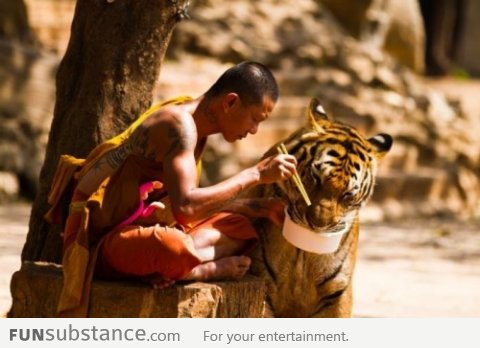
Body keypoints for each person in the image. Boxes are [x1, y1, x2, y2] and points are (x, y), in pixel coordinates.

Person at [45, 61, 297, 316]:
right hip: (100, 240)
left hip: (146, 226)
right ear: (230, 102)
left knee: (240, 227)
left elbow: (185, 203)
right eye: (255, 119)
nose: (254, 130)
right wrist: (255, 174)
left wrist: (260, 208)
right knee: (171, 247)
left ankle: (170, 265)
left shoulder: (197, 127)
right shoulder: (178, 126)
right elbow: (187, 208)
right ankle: (197, 270)